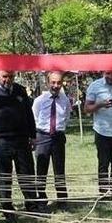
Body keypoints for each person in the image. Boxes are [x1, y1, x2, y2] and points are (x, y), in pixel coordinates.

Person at [0, 70, 41, 219]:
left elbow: (29, 114)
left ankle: (32, 204)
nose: (7, 80)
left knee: (27, 173)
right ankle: (7, 209)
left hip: (21, 139)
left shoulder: (20, 91)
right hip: (0, 140)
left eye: (11, 76)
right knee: (4, 176)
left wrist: (33, 136)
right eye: (4, 77)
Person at [32, 71, 70, 209]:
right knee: (41, 169)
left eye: (59, 82)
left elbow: (66, 117)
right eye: (53, 82)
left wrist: (59, 129)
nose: (56, 85)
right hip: (42, 136)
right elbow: (34, 117)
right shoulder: (39, 101)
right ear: (48, 83)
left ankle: (62, 199)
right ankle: (41, 199)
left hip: (58, 137)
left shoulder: (65, 100)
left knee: (59, 169)